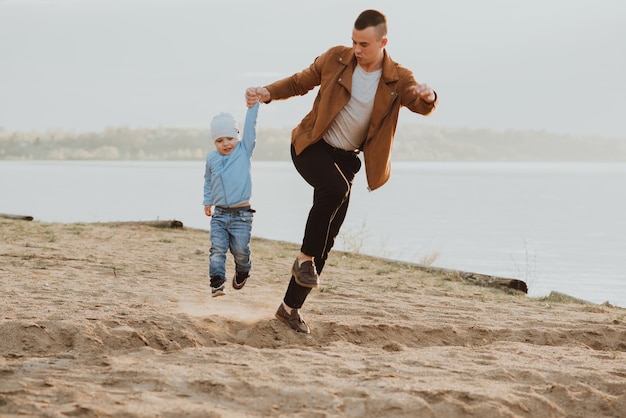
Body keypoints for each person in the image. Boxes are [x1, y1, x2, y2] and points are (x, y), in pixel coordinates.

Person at [245, 9, 438, 333]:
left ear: (382, 42)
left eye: (364, 44)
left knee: (329, 236)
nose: (357, 49)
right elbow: (299, 82)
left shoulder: (398, 78)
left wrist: (428, 97)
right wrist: (267, 92)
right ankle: (303, 259)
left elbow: (417, 101)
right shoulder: (336, 58)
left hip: (346, 161)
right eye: (354, 41)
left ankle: (289, 308)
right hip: (311, 146)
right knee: (335, 190)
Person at [203, 101, 260, 297]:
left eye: (229, 138)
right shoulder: (212, 158)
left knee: (240, 251)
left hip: (242, 216)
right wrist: (207, 200)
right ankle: (217, 283)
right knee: (217, 249)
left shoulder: (243, 151)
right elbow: (208, 180)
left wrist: (254, 105)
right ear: (214, 143)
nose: (226, 143)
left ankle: (243, 269)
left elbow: (251, 128)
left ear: (237, 135)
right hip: (219, 214)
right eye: (219, 140)